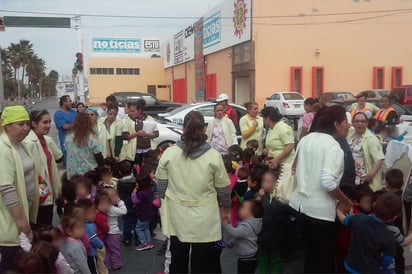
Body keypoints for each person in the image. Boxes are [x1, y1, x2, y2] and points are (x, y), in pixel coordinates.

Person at [156, 111, 231, 273]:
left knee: (178, 259)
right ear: (204, 129)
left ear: (183, 129)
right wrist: (226, 209)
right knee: (203, 262)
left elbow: (161, 186)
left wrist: (161, 205)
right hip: (205, 218)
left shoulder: (170, 153)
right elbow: (223, 189)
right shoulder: (213, 156)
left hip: (177, 215)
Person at [289, 105, 352, 273]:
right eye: (346, 121)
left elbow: (293, 167)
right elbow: (328, 182)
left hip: (300, 207)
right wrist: (345, 200)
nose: (348, 125)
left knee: (309, 257)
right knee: (322, 260)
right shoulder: (333, 146)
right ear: (336, 124)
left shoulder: (306, 139)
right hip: (320, 213)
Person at [0, 105, 39, 272]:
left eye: (27, 124)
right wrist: (20, 220)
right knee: (10, 264)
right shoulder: (3, 149)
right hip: (10, 221)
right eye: (20, 124)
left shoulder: (19, 144)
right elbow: (6, 187)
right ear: (7, 125)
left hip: (24, 212)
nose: (25, 128)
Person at [336, 192, 400, 273]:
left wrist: (338, 209)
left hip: (350, 265)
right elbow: (386, 261)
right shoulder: (390, 237)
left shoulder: (360, 218)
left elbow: (344, 220)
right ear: (394, 218)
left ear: (374, 205)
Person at [24, 109, 63, 226]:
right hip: (39, 195)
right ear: (34, 124)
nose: (49, 125)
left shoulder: (46, 140)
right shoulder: (29, 143)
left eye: (50, 122)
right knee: (41, 230)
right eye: (45, 122)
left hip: (48, 192)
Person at [256, 170, 292, 274]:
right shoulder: (260, 196)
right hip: (262, 236)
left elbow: (288, 212)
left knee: (275, 259)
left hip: (276, 237)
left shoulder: (282, 198)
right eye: (263, 181)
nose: (264, 184)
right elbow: (253, 210)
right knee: (262, 259)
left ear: (276, 183)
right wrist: (258, 198)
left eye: (268, 181)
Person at [222, 200, 263, 274]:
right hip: (251, 257)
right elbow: (241, 236)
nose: (239, 209)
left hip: (246, 259)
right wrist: (232, 242)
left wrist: (225, 223)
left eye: (243, 208)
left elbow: (236, 233)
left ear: (251, 214)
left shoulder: (247, 226)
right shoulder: (251, 224)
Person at [347, 112, 385, 190]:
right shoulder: (350, 136)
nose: (359, 123)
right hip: (351, 178)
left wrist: (370, 176)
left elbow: (379, 159)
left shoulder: (371, 139)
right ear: (353, 123)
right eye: (356, 121)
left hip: (364, 181)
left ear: (367, 124)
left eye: (363, 121)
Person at [65, 113, 104, 179]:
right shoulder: (90, 137)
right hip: (88, 174)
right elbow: (98, 155)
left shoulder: (68, 137)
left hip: (72, 173)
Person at [385, 168, 406, 274]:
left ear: (386, 183)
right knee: (399, 256)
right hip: (400, 232)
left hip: (390, 233)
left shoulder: (388, 199)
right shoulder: (404, 196)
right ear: (402, 183)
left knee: (392, 257)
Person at [102, 187, 127, 271]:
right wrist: (120, 202)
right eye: (116, 196)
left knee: (107, 250)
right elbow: (123, 211)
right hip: (113, 233)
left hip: (105, 233)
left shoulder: (103, 208)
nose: (117, 197)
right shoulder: (111, 208)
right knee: (115, 249)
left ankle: (107, 264)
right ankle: (116, 264)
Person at [116, 161, 138, 246]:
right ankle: (138, 239)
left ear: (120, 172)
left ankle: (127, 238)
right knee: (135, 222)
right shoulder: (135, 181)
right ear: (132, 170)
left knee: (126, 222)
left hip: (124, 205)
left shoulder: (120, 182)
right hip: (134, 204)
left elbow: (119, 193)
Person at [132, 173, 155, 251]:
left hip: (142, 214)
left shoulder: (141, 194)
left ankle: (143, 243)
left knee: (138, 228)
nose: (136, 184)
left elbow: (135, 201)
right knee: (146, 228)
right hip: (149, 213)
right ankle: (149, 242)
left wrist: (134, 192)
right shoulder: (149, 191)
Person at [54, 95, 77, 164]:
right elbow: (65, 127)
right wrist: (76, 125)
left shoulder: (74, 112)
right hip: (65, 143)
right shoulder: (58, 114)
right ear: (64, 102)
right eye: (69, 101)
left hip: (76, 142)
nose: (71, 102)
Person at [93, 192, 111, 274]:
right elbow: (106, 229)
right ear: (97, 205)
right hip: (99, 240)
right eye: (103, 204)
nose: (105, 207)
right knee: (101, 259)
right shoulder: (101, 216)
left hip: (97, 239)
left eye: (107, 204)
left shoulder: (96, 214)